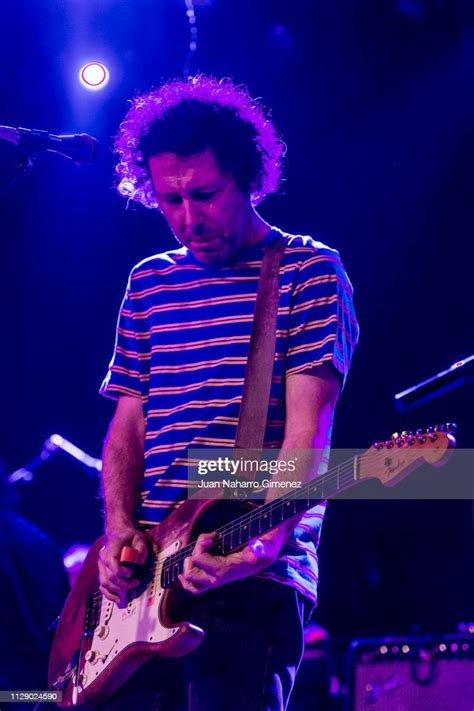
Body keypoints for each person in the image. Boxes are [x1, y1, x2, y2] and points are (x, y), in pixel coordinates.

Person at [98, 75, 359, 710]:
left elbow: (307, 434)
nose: (189, 218)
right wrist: (117, 527)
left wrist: (264, 543)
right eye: (170, 200)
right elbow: (129, 424)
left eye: (206, 195)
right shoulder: (149, 282)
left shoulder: (306, 272)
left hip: (246, 580)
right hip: (140, 590)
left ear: (248, 177)